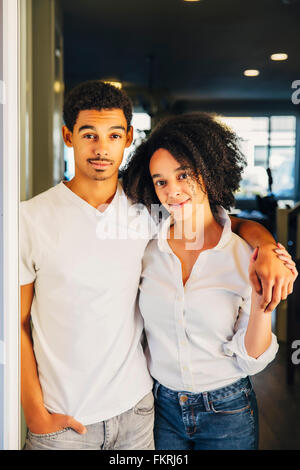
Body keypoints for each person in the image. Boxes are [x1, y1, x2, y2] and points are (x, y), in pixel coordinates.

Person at [20, 81, 296, 451]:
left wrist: (264, 246)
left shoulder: (143, 209)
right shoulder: (30, 218)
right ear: (69, 136)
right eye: (89, 135)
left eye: (114, 134)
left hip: (139, 410)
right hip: (67, 419)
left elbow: (216, 221)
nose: (102, 148)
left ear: (128, 137)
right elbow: (14, 322)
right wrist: (35, 412)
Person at [122, 112, 298, 450]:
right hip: (160, 408)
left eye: (183, 174)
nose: (172, 191)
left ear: (208, 169)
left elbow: (251, 359)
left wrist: (263, 306)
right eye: (161, 181)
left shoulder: (245, 252)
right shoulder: (146, 248)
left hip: (227, 410)